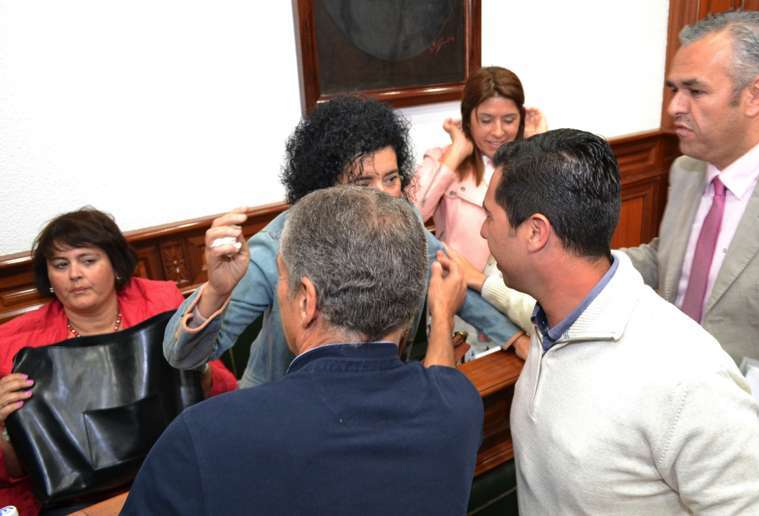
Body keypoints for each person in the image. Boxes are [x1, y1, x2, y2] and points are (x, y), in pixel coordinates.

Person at [122, 186, 484, 515]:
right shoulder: (459, 406)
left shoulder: (203, 436)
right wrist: (442, 314)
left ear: (306, 301)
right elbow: (442, 379)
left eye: (283, 278)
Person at [482, 129, 759, 514]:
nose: (483, 230)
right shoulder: (556, 315)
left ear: (535, 232)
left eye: (489, 216)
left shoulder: (691, 380)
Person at [163, 95, 528, 388]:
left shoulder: (405, 225)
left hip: (375, 396)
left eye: (391, 179)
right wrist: (215, 291)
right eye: (362, 184)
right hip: (283, 409)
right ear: (325, 186)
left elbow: (452, 279)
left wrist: (514, 339)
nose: (383, 196)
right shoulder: (276, 247)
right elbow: (184, 356)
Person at [621, 10, 759, 505]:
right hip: (670, 433)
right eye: (673, 89)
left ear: (756, 94)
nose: (674, 107)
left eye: (695, 91)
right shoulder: (685, 171)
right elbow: (667, 262)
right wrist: (586, 263)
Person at [0, 208, 237, 515]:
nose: (74, 274)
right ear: (49, 276)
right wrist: (4, 426)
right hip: (78, 498)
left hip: (175, 470)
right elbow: (16, 472)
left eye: (87, 260)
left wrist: (196, 368)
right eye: (60, 264)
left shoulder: (160, 304)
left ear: (115, 265)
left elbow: (223, 390)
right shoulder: (16, 344)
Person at [413, 66, 547, 272]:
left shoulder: (530, 161)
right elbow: (410, 216)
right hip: (458, 283)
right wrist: (456, 152)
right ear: (468, 119)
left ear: (520, 118)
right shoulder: (444, 159)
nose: (498, 132)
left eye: (509, 120)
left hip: (518, 286)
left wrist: (539, 144)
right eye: (486, 120)